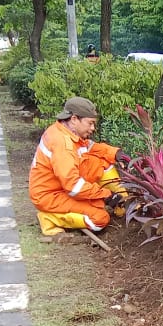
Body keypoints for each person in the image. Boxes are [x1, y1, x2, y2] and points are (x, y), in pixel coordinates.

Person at [29, 97, 128, 236]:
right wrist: (106, 196)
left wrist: (115, 153)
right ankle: (49, 218)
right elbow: (73, 186)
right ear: (74, 119)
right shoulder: (62, 144)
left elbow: (89, 146)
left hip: (60, 187)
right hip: (50, 196)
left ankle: (125, 203)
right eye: (90, 123)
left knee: (103, 161)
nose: (93, 128)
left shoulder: (67, 132)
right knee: (99, 218)